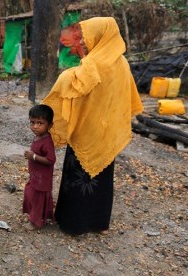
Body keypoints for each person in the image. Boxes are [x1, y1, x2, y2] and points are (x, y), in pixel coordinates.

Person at [42, 17, 143, 235]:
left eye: (87, 36)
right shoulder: (121, 63)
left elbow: (73, 85)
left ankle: (72, 223)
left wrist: (64, 79)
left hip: (86, 132)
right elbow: (125, 97)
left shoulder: (93, 64)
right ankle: (99, 223)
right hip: (107, 133)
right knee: (102, 179)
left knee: (77, 177)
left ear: (101, 36)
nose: (85, 42)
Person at [22, 104, 56, 231]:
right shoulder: (39, 136)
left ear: (50, 125)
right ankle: (38, 216)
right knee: (30, 193)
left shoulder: (47, 141)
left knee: (37, 199)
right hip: (36, 176)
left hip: (43, 178)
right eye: (32, 122)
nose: (35, 126)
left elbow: (51, 160)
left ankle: (36, 222)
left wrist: (33, 157)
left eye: (40, 123)